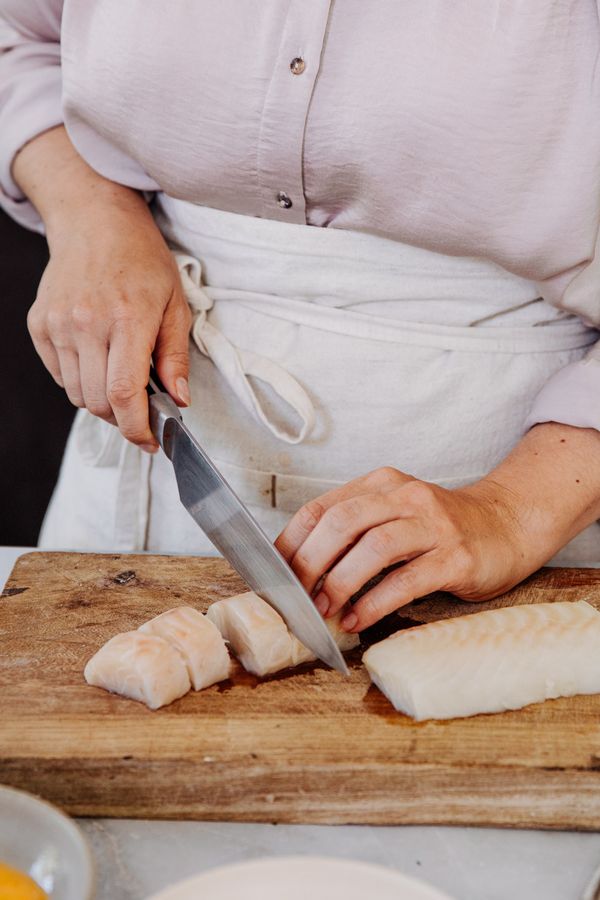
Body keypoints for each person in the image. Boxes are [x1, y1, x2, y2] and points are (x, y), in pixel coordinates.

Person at [1, 2, 600, 635]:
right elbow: (19, 38)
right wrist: (94, 218)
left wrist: (509, 513)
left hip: (527, 517)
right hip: (139, 478)